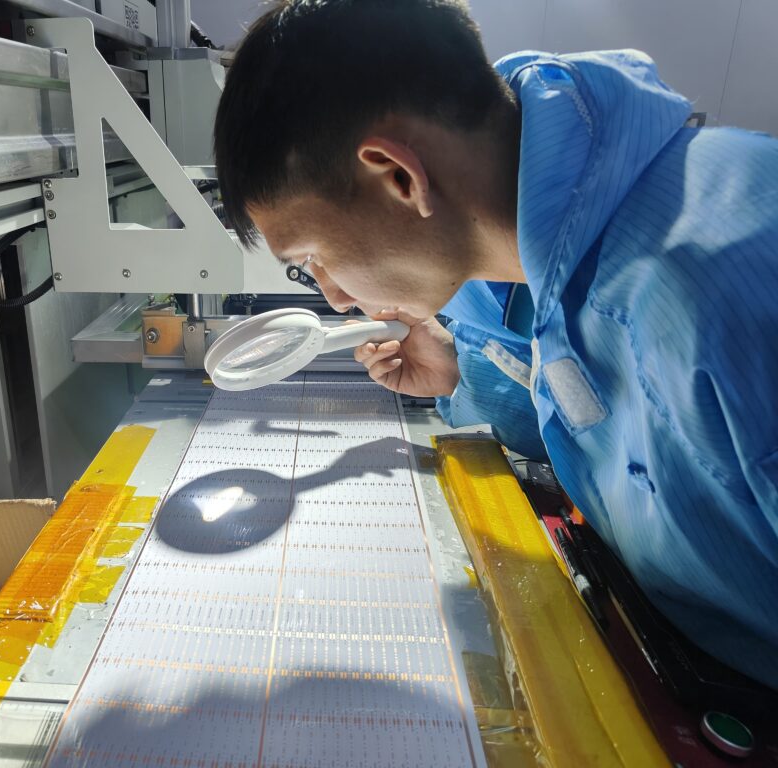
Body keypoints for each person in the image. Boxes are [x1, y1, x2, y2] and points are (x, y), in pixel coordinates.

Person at [213, 0, 778, 689]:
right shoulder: (504, 262)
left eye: (310, 257)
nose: (331, 296)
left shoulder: (732, 282)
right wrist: (461, 375)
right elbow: (602, 421)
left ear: (397, 175)